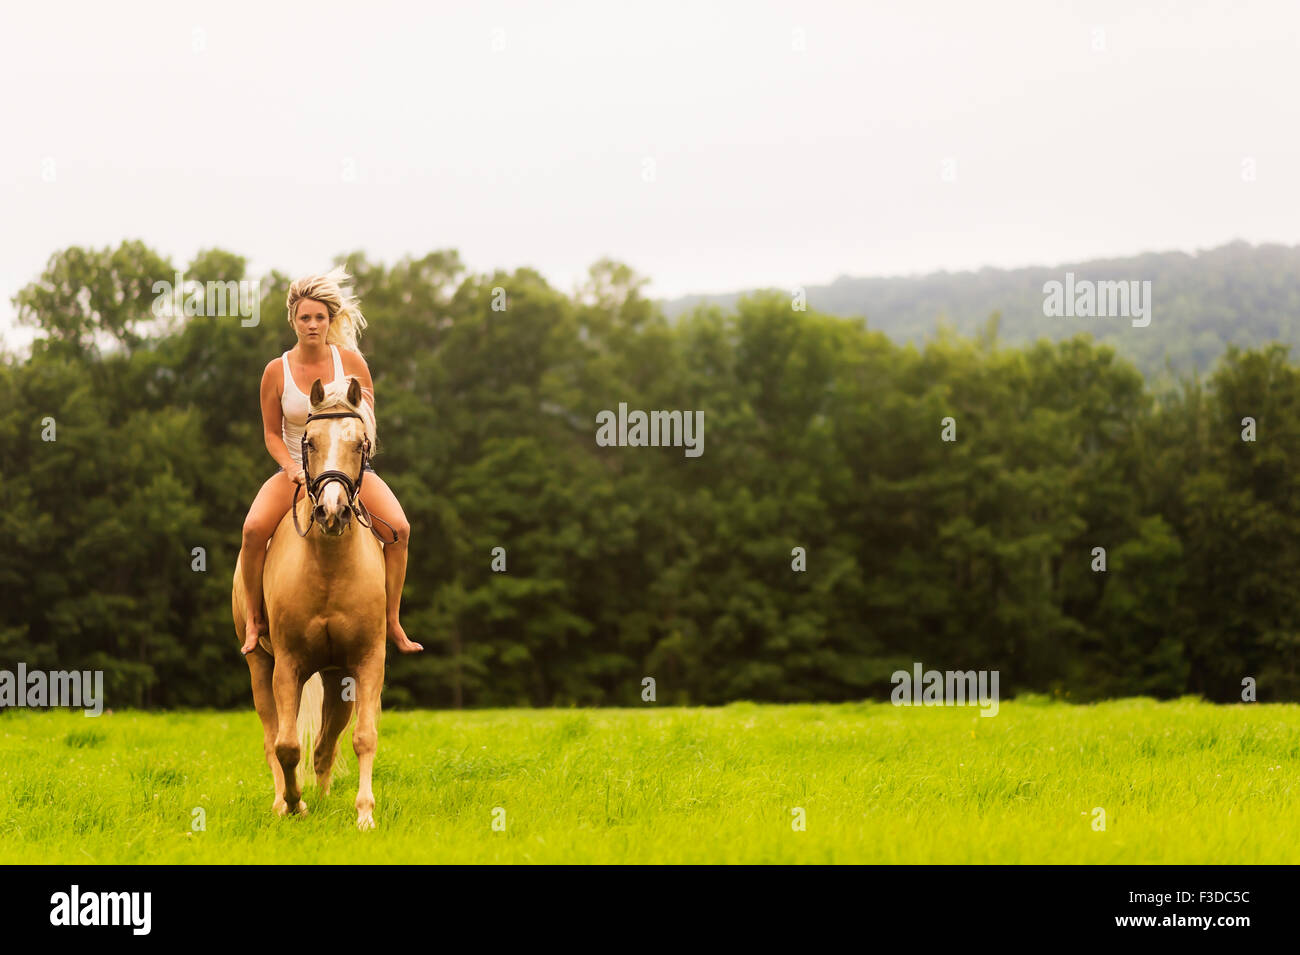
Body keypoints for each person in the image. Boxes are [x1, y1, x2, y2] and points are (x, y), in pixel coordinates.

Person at [237, 266, 423, 656]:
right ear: (293, 320)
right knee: (253, 530)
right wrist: (291, 468)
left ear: (330, 320)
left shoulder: (352, 364)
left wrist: (350, 468)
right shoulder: (276, 371)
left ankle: (391, 620)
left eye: (319, 317)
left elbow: (366, 423)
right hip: (295, 470)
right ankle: (255, 623)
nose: (312, 324)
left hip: (348, 470)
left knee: (400, 529)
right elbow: (272, 433)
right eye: (304, 317)